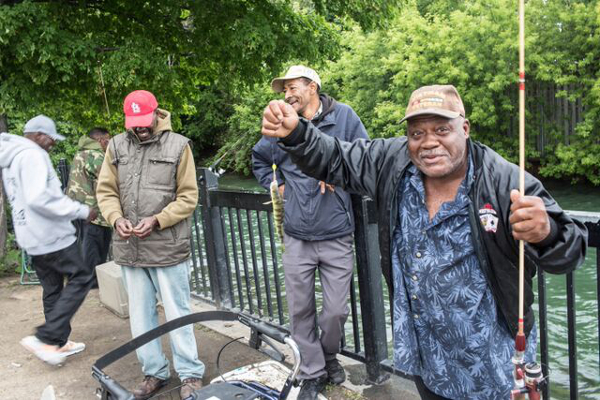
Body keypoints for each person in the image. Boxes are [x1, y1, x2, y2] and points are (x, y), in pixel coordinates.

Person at [259, 84, 588, 399]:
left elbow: (569, 248)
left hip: (494, 363)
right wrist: (297, 133)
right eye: (417, 133)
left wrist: (546, 234)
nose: (428, 142)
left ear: (466, 128)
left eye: (442, 130)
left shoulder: (504, 180)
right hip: (427, 359)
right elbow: (337, 159)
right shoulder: (392, 162)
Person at [252, 65, 369, 400]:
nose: (287, 95)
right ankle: (312, 371)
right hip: (297, 234)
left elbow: (363, 159)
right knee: (300, 309)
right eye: (284, 89)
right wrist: (277, 184)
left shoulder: (344, 117)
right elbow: (260, 160)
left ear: (313, 86)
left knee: (335, 312)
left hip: (336, 233)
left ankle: (329, 353)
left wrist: (338, 172)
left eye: (293, 87)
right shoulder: (281, 123)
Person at [97, 90, 204, 400]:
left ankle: (190, 373)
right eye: (134, 124)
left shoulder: (179, 145)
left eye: (144, 123)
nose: (139, 129)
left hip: (168, 247)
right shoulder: (116, 145)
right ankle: (154, 372)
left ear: (157, 115)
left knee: (178, 313)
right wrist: (116, 218)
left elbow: (188, 197)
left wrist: (158, 219)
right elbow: (105, 191)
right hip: (130, 247)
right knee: (141, 316)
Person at [0, 115, 96, 365]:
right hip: (51, 235)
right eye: (52, 138)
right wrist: (81, 210)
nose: (53, 144)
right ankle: (47, 338)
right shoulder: (32, 155)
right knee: (82, 276)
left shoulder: (10, 158)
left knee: (52, 287)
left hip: (30, 236)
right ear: (39, 134)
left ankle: (55, 345)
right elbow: (39, 198)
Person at [67, 127, 112, 288]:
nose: (109, 143)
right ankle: (93, 282)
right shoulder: (96, 155)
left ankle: (88, 279)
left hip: (78, 208)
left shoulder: (81, 153)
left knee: (86, 244)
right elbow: (108, 181)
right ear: (101, 140)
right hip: (94, 212)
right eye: (108, 140)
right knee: (95, 248)